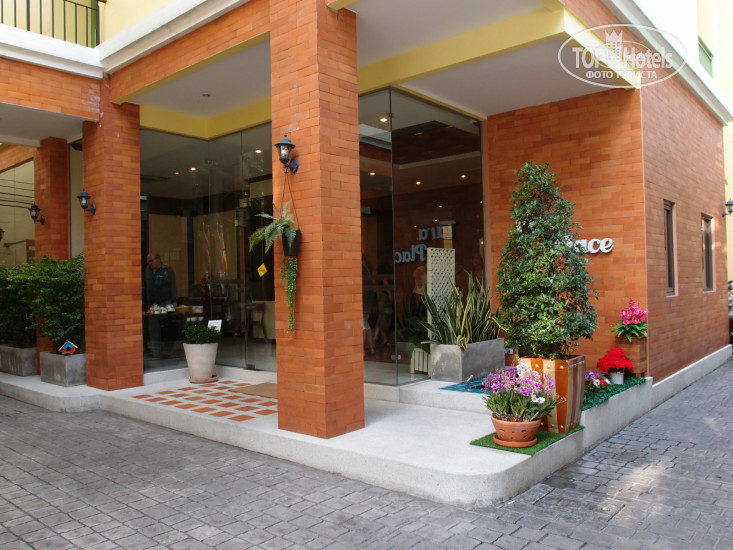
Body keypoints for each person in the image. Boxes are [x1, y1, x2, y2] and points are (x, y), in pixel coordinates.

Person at [145, 252, 178, 359]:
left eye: (151, 261)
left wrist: (174, 301)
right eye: (148, 262)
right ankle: (155, 351)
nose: (150, 263)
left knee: (168, 327)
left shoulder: (166, 270)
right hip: (153, 304)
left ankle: (167, 352)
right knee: (153, 326)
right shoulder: (148, 271)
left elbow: (172, 285)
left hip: (166, 302)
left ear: (158, 259)